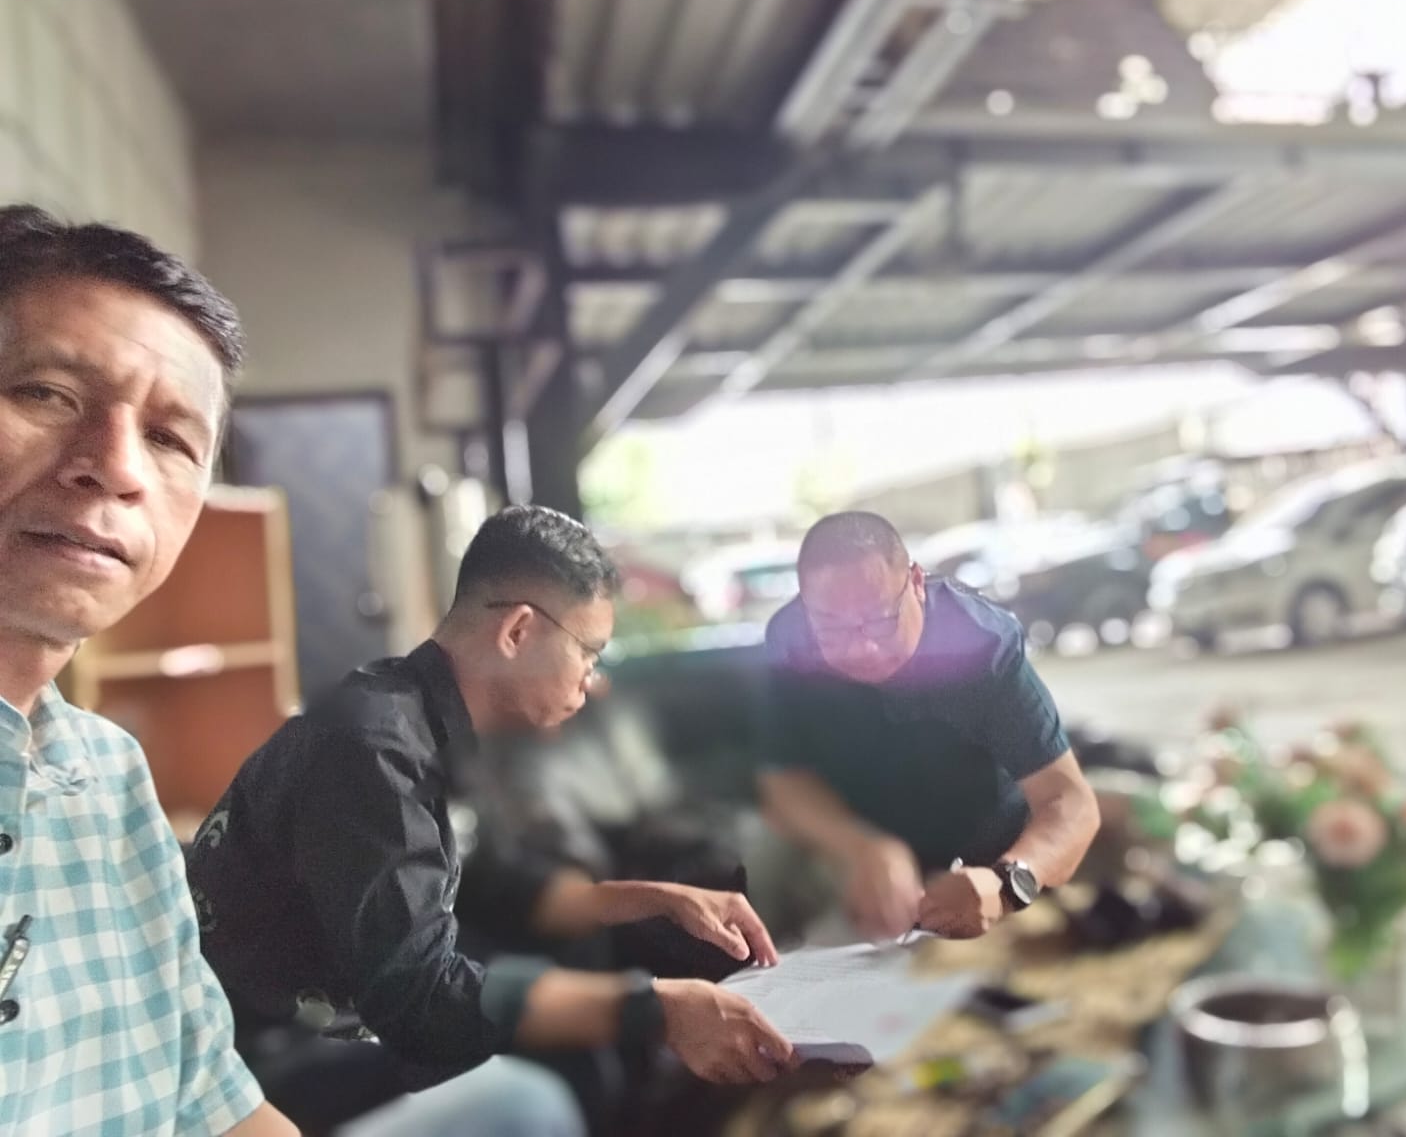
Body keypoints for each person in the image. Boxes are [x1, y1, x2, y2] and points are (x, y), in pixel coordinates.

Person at [187, 505, 797, 1134]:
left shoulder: (432, 723)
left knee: (586, 1036)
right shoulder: (372, 748)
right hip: (260, 1069)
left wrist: (661, 900)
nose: (594, 681)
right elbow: (420, 998)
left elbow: (508, 889)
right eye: (588, 653)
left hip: (347, 1027)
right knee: (542, 1096)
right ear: (519, 632)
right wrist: (656, 1008)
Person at [0, 205, 294, 1134]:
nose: (117, 468)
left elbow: (214, 1101)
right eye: (47, 393)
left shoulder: (107, 773)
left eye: (171, 439)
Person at [758, 511, 1101, 942]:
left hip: (988, 861)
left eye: (880, 619)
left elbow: (1069, 799)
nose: (862, 647)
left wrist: (1008, 883)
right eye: (831, 627)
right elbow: (784, 782)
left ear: (917, 582)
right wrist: (859, 846)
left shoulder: (980, 643)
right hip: (862, 862)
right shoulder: (790, 640)